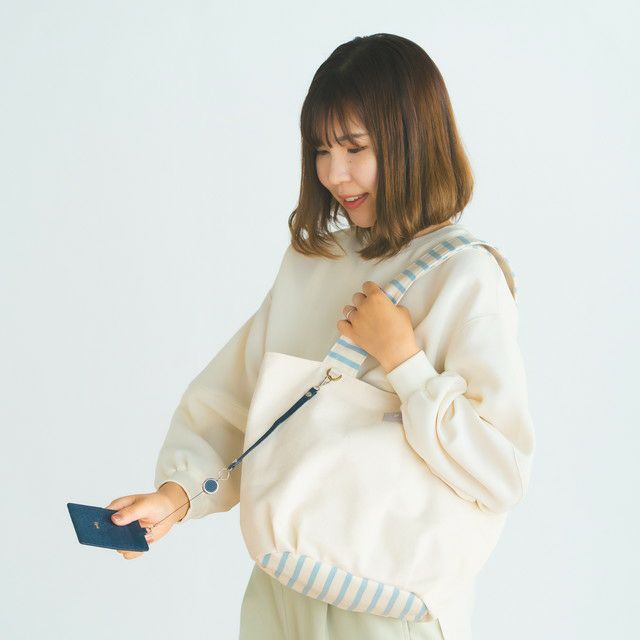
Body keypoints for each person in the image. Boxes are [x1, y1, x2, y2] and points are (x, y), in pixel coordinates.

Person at [106, 33, 535, 640]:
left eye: (355, 148)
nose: (334, 173)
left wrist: (404, 362)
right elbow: (238, 397)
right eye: (321, 150)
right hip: (281, 585)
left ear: (412, 140)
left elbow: (501, 471)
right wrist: (177, 496)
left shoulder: (466, 276)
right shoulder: (315, 261)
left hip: (385, 605)